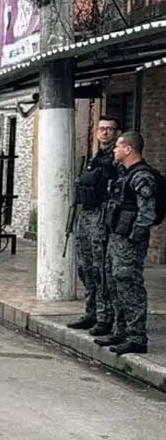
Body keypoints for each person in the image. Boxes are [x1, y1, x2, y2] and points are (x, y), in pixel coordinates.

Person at [95, 131, 158, 355]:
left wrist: (134, 237)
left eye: (118, 146)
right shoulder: (125, 174)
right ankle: (120, 330)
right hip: (116, 238)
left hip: (129, 242)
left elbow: (147, 213)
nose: (114, 149)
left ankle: (137, 336)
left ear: (128, 149)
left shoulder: (142, 177)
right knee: (114, 283)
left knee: (130, 286)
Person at [67, 116, 119, 335]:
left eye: (109, 129)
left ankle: (105, 316)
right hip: (86, 216)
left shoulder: (115, 160)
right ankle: (91, 313)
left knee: (100, 270)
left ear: (117, 133)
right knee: (85, 268)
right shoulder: (94, 157)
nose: (105, 132)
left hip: (100, 217)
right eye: (101, 129)